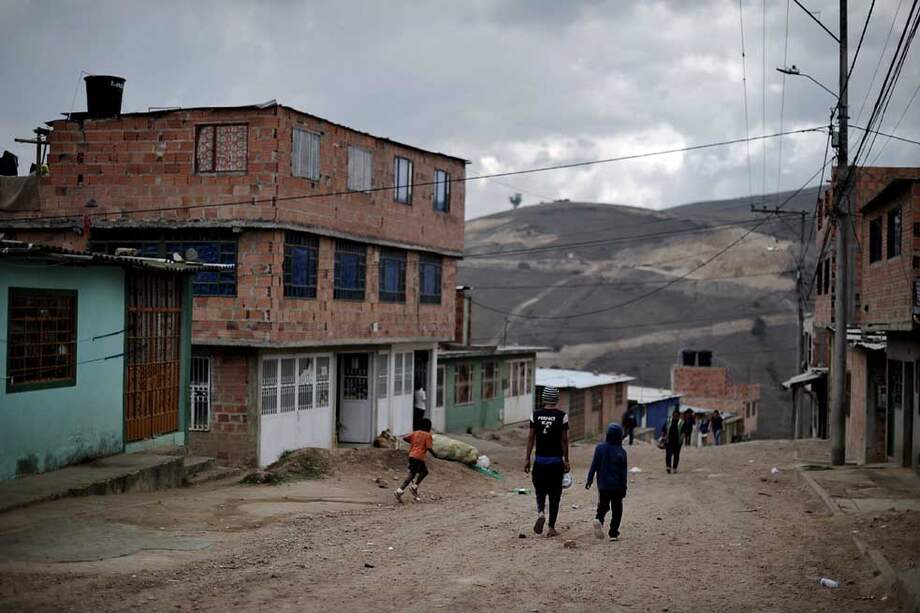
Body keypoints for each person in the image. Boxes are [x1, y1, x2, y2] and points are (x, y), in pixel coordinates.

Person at [524, 386, 570, 537]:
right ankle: (551, 527)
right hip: (556, 463)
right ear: (556, 399)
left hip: (540, 462)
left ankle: (541, 512)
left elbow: (531, 438)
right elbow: (564, 440)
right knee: (555, 495)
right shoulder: (562, 416)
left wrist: (527, 458)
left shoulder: (535, 415)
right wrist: (566, 460)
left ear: (543, 398)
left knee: (540, 490)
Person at [585, 423, 628, 541]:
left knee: (603, 505)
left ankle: (599, 519)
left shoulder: (599, 448)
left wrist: (589, 479)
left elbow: (594, 465)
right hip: (617, 486)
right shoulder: (622, 452)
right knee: (617, 509)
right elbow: (623, 472)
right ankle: (613, 533)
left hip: (603, 485)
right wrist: (624, 486)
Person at [395, 418, 433, 503]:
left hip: (412, 455)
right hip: (419, 457)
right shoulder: (428, 435)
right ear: (428, 427)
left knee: (424, 471)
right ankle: (400, 490)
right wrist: (435, 454)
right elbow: (429, 447)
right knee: (412, 474)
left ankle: (414, 486)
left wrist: (413, 442)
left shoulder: (415, 433)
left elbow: (405, 438)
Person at [661, 408, 683, 474]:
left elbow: (684, 431)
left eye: (677, 416)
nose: (675, 417)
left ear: (679, 416)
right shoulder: (668, 421)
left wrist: (682, 437)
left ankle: (674, 468)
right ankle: (668, 467)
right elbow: (663, 429)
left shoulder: (681, 422)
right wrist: (663, 437)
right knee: (668, 454)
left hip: (678, 442)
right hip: (669, 441)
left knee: (676, 455)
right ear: (672, 415)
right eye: (674, 415)